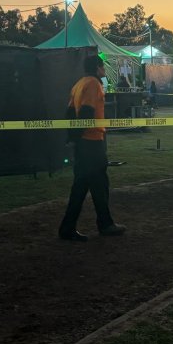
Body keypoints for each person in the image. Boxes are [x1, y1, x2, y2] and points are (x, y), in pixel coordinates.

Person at [59, 55, 126, 241]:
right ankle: (101, 225)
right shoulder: (93, 84)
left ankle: (96, 224)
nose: (104, 70)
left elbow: (70, 112)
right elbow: (87, 112)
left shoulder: (78, 84)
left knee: (89, 185)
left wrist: (72, 138)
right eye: (103, 66)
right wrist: (81, 137)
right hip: (92, 141)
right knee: (94, 185)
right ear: (97, 67)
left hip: (83, 142)